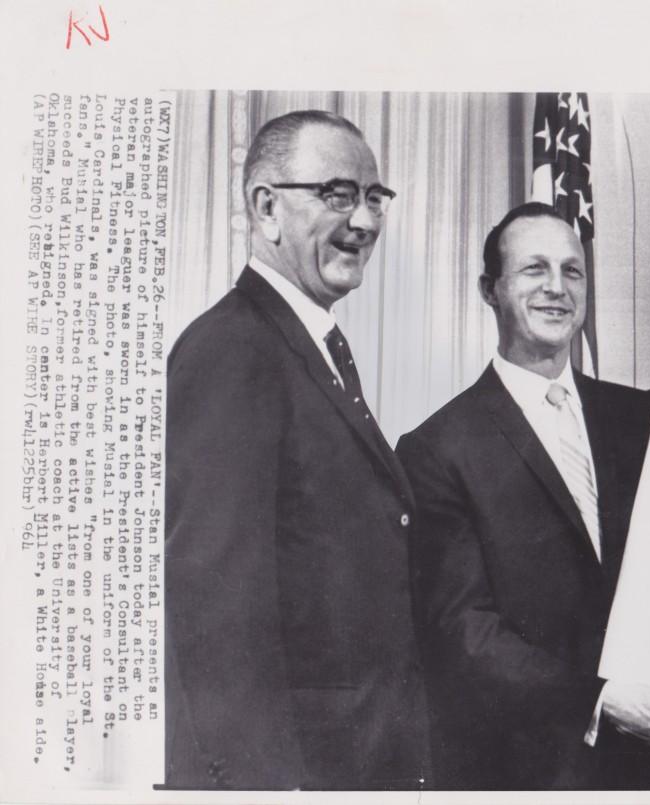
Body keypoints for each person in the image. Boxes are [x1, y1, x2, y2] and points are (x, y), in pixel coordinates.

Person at [395, 203, 650, 790]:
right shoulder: (437, 449)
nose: (557, 287)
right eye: (534, 270)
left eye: (573, 272)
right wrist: (597, 701)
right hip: (544, 768)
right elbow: (463, 632)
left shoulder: (642, 416)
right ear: (489, 290)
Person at [165, 110, 428, 790]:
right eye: (338, 194)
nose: (365, 222)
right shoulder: (230, 349)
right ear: (266, 207)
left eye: (374, 198)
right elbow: (215, 608)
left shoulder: (313, 346)